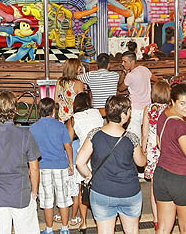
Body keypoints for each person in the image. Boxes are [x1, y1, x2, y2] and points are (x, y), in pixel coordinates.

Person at [76, 96, 146, 234]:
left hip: (102, 191)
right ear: (124, 115)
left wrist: (89, 174)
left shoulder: (95, 134)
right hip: (129, 192)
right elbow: (141, 162)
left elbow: (79, 162)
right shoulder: (131, 138)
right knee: (132, 230)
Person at [0, 91, 40, 234]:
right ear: (15, 110)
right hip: (20, 192)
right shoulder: (25, 135)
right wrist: (34, 191)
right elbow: (34, 168)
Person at [150, 84, 186, 234]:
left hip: (162, 175)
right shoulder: (181, 126)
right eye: (182, 103)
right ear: (172, 101)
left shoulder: (163, 115)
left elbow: (159, 144)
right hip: (182, 180)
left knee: (163, 227)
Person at [29, 98, 74, 234]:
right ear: (54, 111)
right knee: (63, 198)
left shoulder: (33, 128)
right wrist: (70, 163)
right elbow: (68, 146)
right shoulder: (60, 126)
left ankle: (49, 229)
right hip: (60, 165)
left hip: (42, 167)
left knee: (47, 200)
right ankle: (65, 228)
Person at [69, 92, 104, 233]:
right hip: (100, 153)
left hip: (83, 156)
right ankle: (100, 219)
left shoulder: (74, 119)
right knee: (100, 188)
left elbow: (69, 140)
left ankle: (83, 222)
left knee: (83, 190)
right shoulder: (97, 113)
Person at [141, 82, 170, 229]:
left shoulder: (148, 109)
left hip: (152, 150)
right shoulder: (171, 109)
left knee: (154, 187)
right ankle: (167, 217)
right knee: (167, 185)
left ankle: (156, 220)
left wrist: (144, 149)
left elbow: (145, 132)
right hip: (168, 149)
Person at [121, 52, 152, 141]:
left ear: (132, 61)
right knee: (147, 136)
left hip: (135, 109)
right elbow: (155, 78)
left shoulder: (130, 76)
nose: (123, 64)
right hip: (147, 108)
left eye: (125, 61)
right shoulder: (144, 69)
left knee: (134, 138)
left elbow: (121, 88)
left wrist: (124, 74)